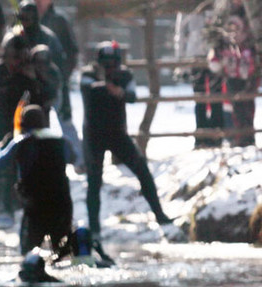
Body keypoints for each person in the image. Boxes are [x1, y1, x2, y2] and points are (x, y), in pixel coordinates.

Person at [80, 41, 173, 237]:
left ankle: (159, 214)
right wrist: (106, 86)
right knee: (94, 180)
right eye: (107, 64)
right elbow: (88, 88)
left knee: (142, 171)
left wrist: (118, 91)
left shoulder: (125, 75)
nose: (110, 68)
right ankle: (94, 227)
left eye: (113, 64)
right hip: (94, 136)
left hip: (117, 134)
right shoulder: (88, 74)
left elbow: (131, 95)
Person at [0, 32, 44, 240]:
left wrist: (31, 79)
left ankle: (28, 228)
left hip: (21, 132)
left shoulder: (27, 75)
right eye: (13, 57)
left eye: (19, 57)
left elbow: (40, 100)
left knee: (27, 181)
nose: (16, 62)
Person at [0, 104, 74, 257]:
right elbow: (73, 157)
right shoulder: (61, 139)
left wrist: (0, 146)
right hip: (62, 203)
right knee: (62, 254)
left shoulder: (21, 141)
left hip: (35, 206)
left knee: (28, 255)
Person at [33, 0, 80, 166]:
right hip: (35, 85)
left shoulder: (59, 20)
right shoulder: (26, 19)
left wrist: (63, 76)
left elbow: (72, 51)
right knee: (38, 123)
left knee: (65, 121)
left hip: (58, 81)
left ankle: (80, 161)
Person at [174, 0, 222, 148]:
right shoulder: (186, 7)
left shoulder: (216, 5)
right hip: (195, 56)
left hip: (214, 54)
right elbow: (180, 34)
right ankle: (201, 137)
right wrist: (180, 61)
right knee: (199, 97)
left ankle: (216, 136)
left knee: (216, 96)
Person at [208, 12, 257, 148]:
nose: (233, 32)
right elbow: (217, 56)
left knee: (246, 109)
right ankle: (238, 138)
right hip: (231, 78)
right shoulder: (225, 44)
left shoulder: (247, 43)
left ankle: (248, 139)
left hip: (246, 79)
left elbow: (250, 60)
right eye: (231, 29)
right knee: (234, 109)